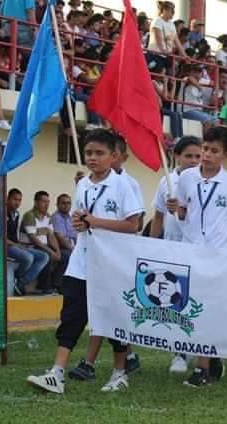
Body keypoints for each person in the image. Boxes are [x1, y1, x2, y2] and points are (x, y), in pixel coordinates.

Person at [26, 130, 145, 394]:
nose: (92, 158)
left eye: (99, 153)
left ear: (114, 156)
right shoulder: (83, 185)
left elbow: (132, 224)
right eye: (89, 152)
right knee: (71, 316)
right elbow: (81, 222)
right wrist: (79, 224)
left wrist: (95, 222)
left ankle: (119, 372)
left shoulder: (123, 185)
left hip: (113, 263)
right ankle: (57, 373)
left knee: (114, 318)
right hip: (82, 262)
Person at [169, 126, 227, 387]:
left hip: (218, 255)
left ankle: (202, 367)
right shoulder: (187, 178)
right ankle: (208, 358)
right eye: (205, 148)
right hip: (190, 251)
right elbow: (184, 213)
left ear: (226, 154)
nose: (206, 155)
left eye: (214, 151)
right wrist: (177, 210)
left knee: (209, 311)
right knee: (192, 310)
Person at [150, 136, 202, 374]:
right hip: (172, 249)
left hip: (197, 249)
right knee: (175, 301)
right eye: (188, 156)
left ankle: (200, 351)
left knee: (196, 302)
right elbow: (158, 217)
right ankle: (179, 352)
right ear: (177, 157)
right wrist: (152, 245)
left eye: (197, 156)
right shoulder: (167, 182)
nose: (193, 161)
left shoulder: (204, 182)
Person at [19, 191, 64, 293]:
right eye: (44, 201)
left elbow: (51, 235)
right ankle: (44, 287)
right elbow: (33, 239)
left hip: (42, 245)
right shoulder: (29, 215)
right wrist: (52, 252)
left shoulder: (48, 216)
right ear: (35, 202)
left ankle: (57, 285)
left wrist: (57, 251)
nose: (46, 204)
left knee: (64, 256)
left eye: (48, 202)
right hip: (30, 246)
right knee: (47, 254)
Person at [6, 188, 48, 295]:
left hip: (15, 245)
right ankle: (17, 280)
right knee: (28, 257)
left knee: (44, 256)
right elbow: (1, 237)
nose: (17, 203)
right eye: (15, 199)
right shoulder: (2, 212)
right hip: (5, 246)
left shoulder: (16, 214)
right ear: (7, 199)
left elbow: (14, 235)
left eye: (19, 200)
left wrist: (20, 244)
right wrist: (16, 245)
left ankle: (21, 282)